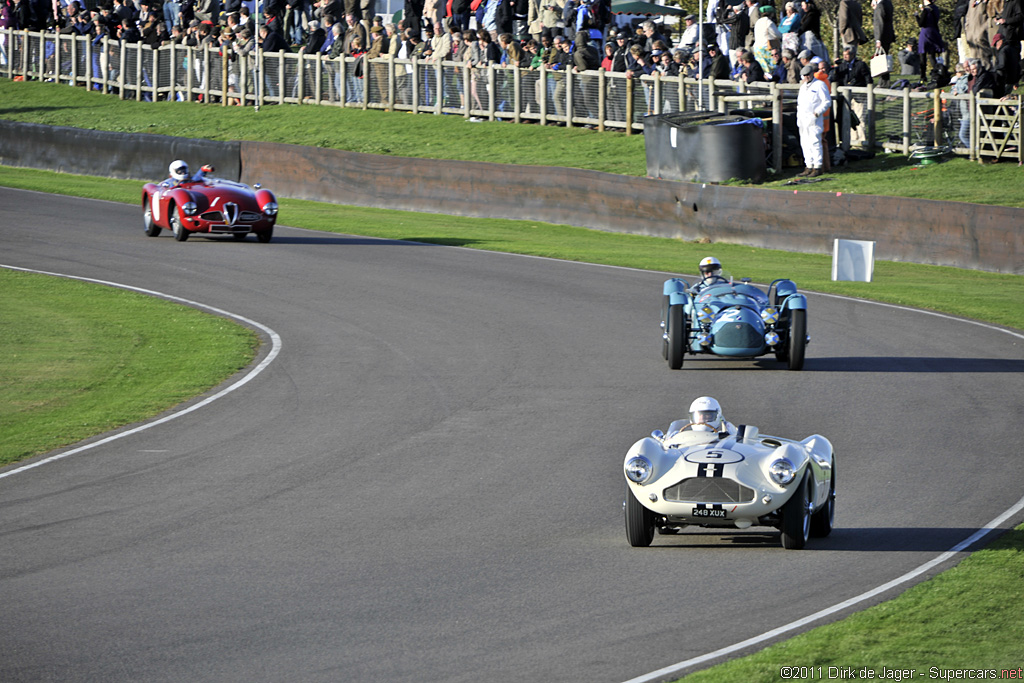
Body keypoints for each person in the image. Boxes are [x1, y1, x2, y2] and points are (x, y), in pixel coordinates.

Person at [797, 62, 830, 177]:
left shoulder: (820, 85)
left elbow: (826, 101)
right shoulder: (803, 87)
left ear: (812, 74)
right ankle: (808, 166)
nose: (807, 77)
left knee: (815, 142)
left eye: (808, 75)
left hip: (814, 119)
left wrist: (817, 113)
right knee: (805, 143)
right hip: (803, 119)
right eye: (804, 75)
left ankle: (818, 166)